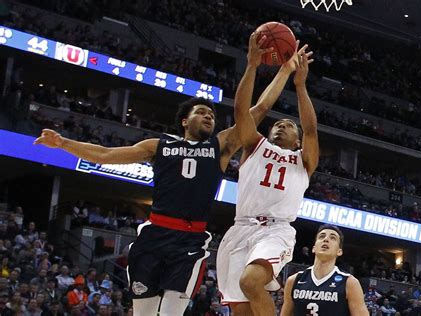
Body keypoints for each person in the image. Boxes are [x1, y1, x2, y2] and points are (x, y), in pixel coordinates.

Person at [34, 55, 292, 316]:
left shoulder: (219, 147)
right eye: (201, 113)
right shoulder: (159, 145)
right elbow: (105, 154)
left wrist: (282, 70)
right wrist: (64, 144)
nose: (208, 117)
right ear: (184, 121)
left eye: (212, 115)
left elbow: (259, 109)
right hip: (154, 234)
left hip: (190, 241)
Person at [216, 33, 319, 316]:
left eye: (289, 125)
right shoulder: (254, 146)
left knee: (250, 281)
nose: (281, 125)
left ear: (297, 140)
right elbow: (242, 112)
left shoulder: (303, 159)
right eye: (278, 123)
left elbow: (311, 129)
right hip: (239, 229)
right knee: (241, 311)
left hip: (275, 229)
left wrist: (300, 86)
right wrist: (252, 65)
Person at [280, 225, 368, 316]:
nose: (326, 239)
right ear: (314, 248)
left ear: (339, 251)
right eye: (322, 236)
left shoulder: (349, 283)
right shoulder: (294, 281)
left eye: (333, 238)